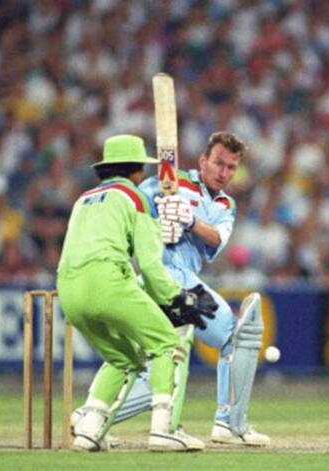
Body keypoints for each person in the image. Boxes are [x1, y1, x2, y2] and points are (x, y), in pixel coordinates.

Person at [98, 131, 271, 446]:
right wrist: (156, 222)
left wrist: (189, 221)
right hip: (160, 272)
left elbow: (216, 238)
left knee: (158, 366)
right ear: (203, 161)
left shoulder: (225, 204)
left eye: (231, 168)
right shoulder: (171, 180)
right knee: (236, 336)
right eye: (218, 163)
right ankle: (230, 424)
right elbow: (133, 207)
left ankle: (91, 419)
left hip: (179, 278)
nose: (223, 172)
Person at [58, 134, 217, 452]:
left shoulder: (83, 199)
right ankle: (163, 430)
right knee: (167, 344)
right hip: (107, 282)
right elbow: (149, 264)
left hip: (68, 290)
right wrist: (178, 296)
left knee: (122, 359)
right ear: (135, 170)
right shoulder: (136, 198)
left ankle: (89, 430)